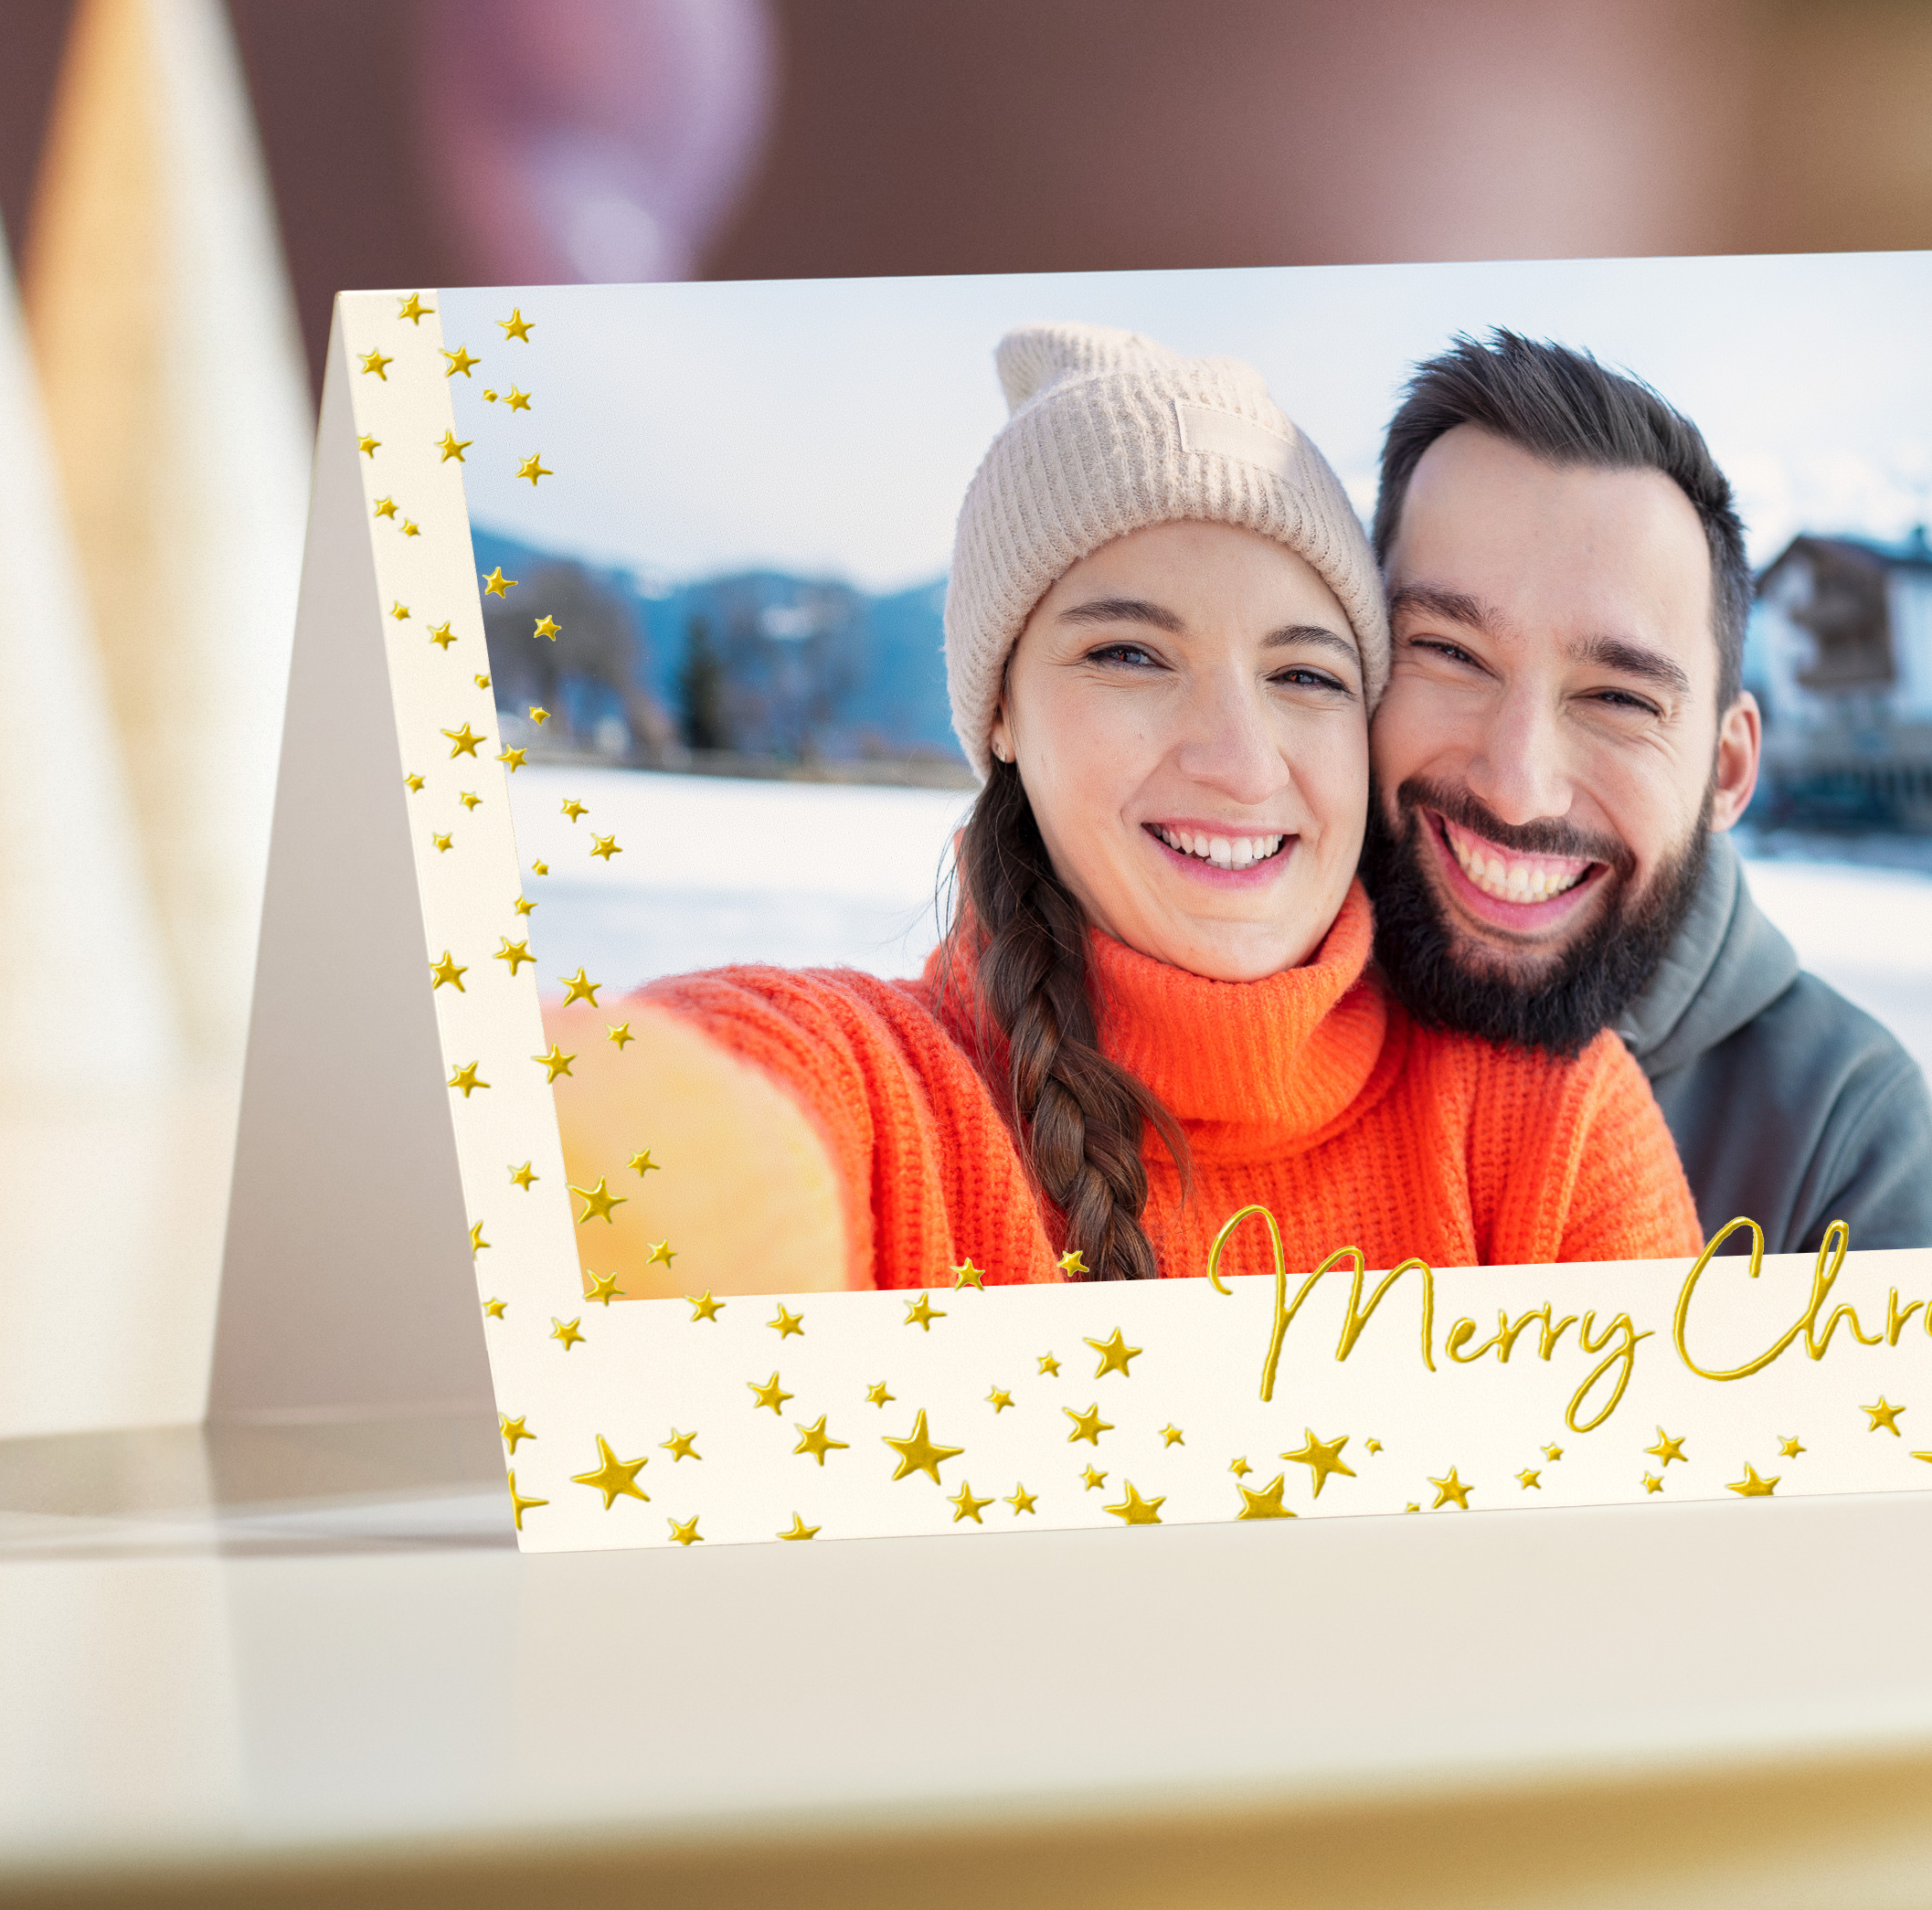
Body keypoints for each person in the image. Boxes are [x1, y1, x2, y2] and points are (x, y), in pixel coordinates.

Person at [560, 324, 1693, 1298]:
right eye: (1129, 655)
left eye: (1304, 674)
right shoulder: (876, 1102)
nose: (1240, 763)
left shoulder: (1544, 1128)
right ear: (1001, 710)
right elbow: (646, 1144)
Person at [1359, 328, 1932, 1267]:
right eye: (1449, 653)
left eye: (1618, 699)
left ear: (1727, 770)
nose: (1517, 789)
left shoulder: (1837, 1131)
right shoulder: (1193, 1002)